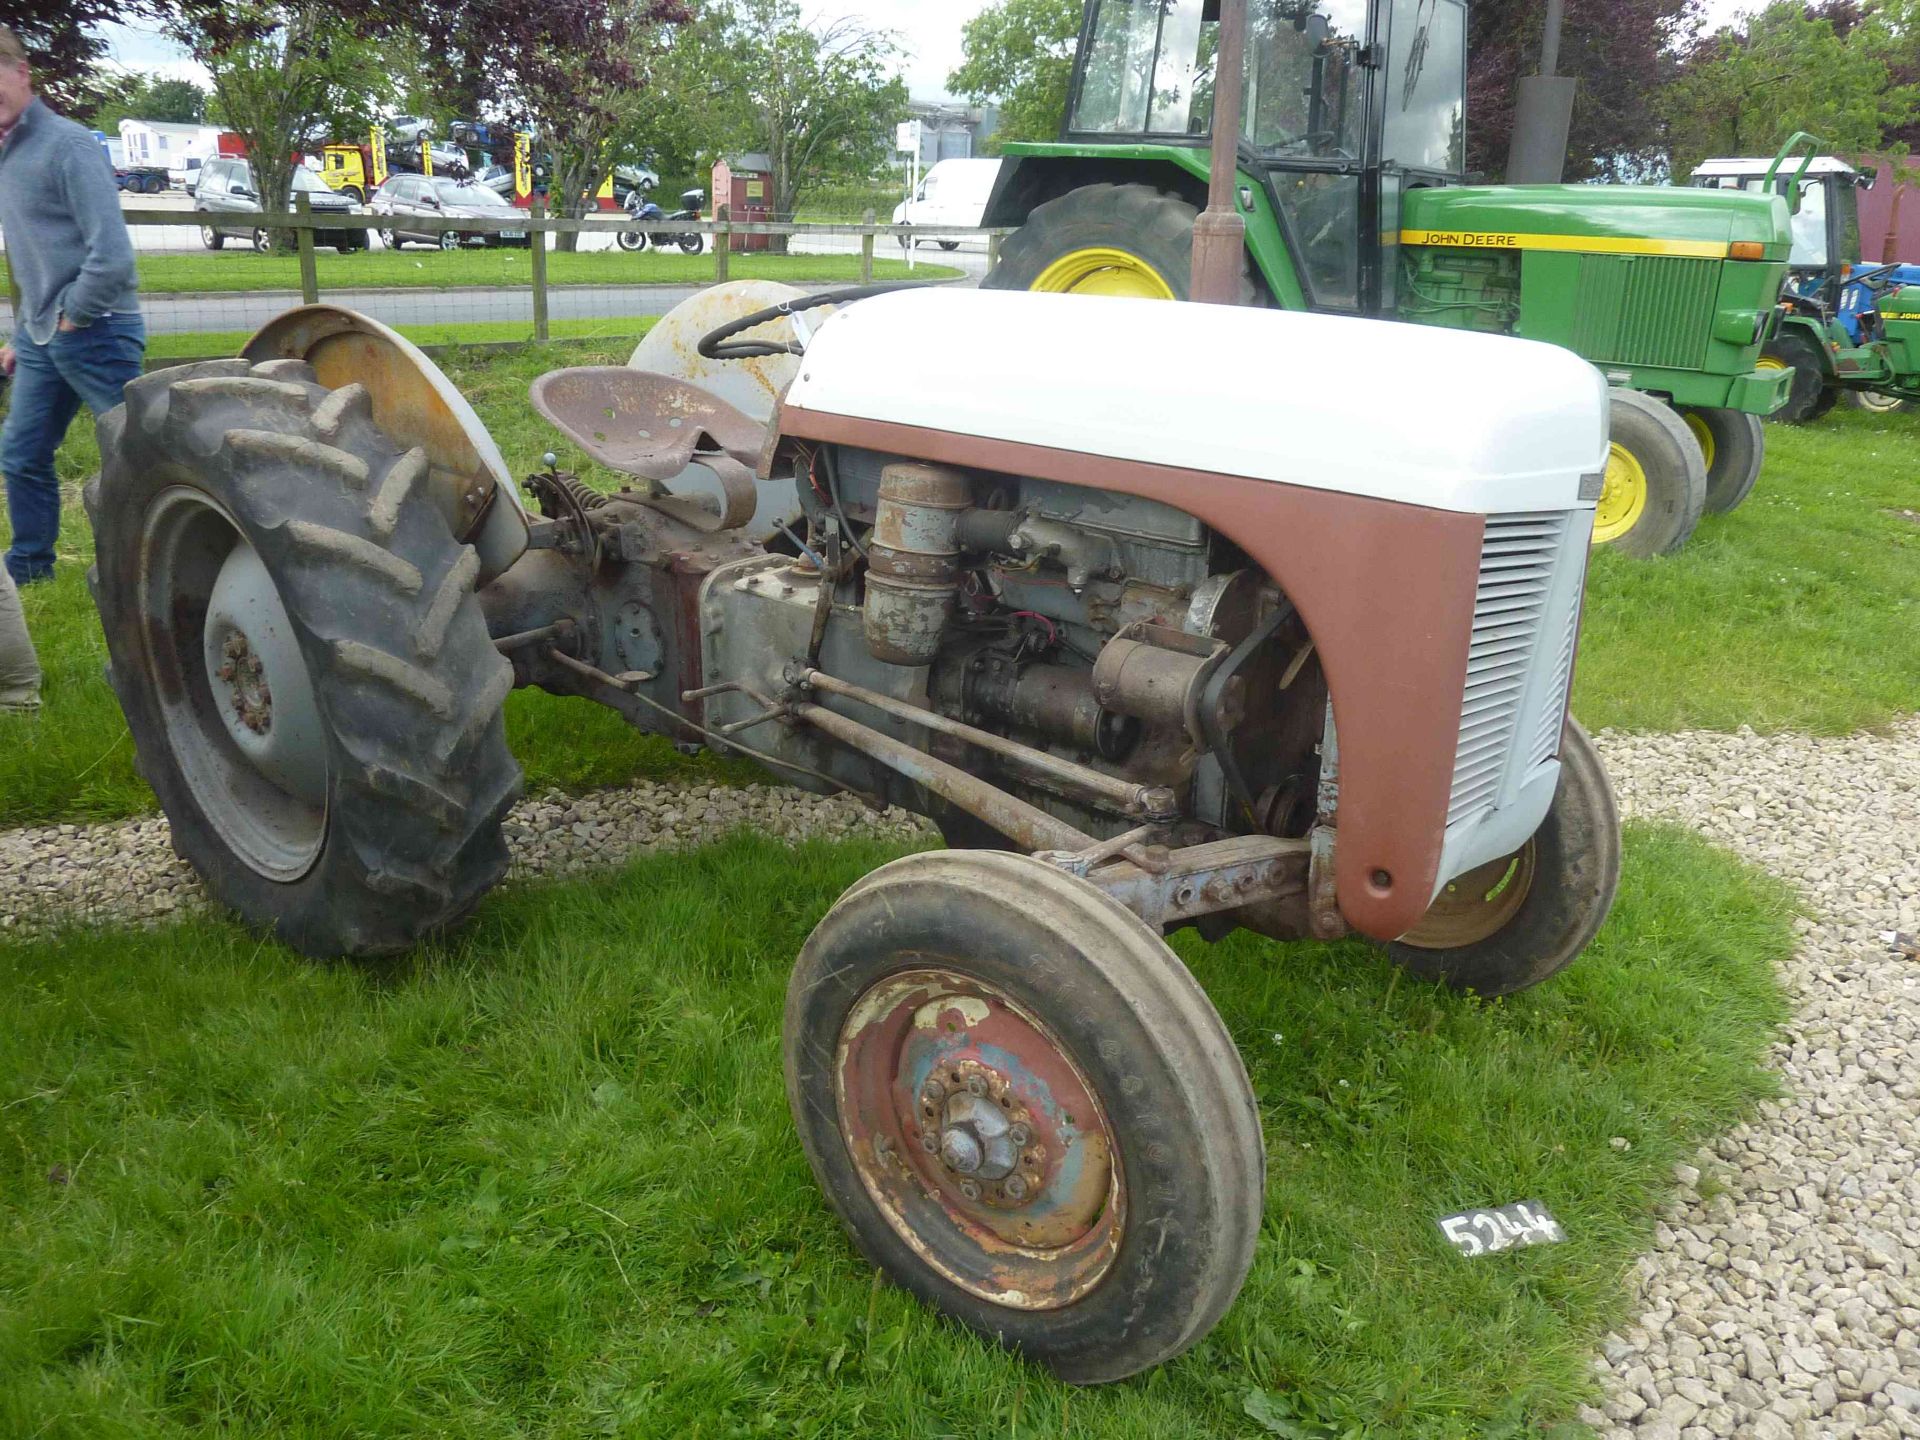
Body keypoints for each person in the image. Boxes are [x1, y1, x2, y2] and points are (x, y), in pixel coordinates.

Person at [0, 22, 145, 588]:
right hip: (43, 337)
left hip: (98, 330)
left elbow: (112, 258)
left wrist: (72, 318)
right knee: (21, 454)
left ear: (21, 72)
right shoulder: (8, 155)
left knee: (136, 461)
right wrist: (26, 332)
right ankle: (31, 571)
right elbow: (40, 259)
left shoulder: (70, 146)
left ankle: (146, 570)